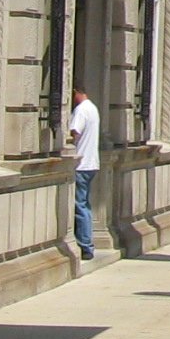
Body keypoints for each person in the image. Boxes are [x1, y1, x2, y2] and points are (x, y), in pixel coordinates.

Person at [67, 86, 101, 260]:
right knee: (84, 204)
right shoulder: (93, 108)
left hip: (81, 164)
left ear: (76, 93)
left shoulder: (81, 110)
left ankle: (85, 245)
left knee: (79, 205)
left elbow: (75, 133)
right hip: (91, 163)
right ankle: (87, 242)